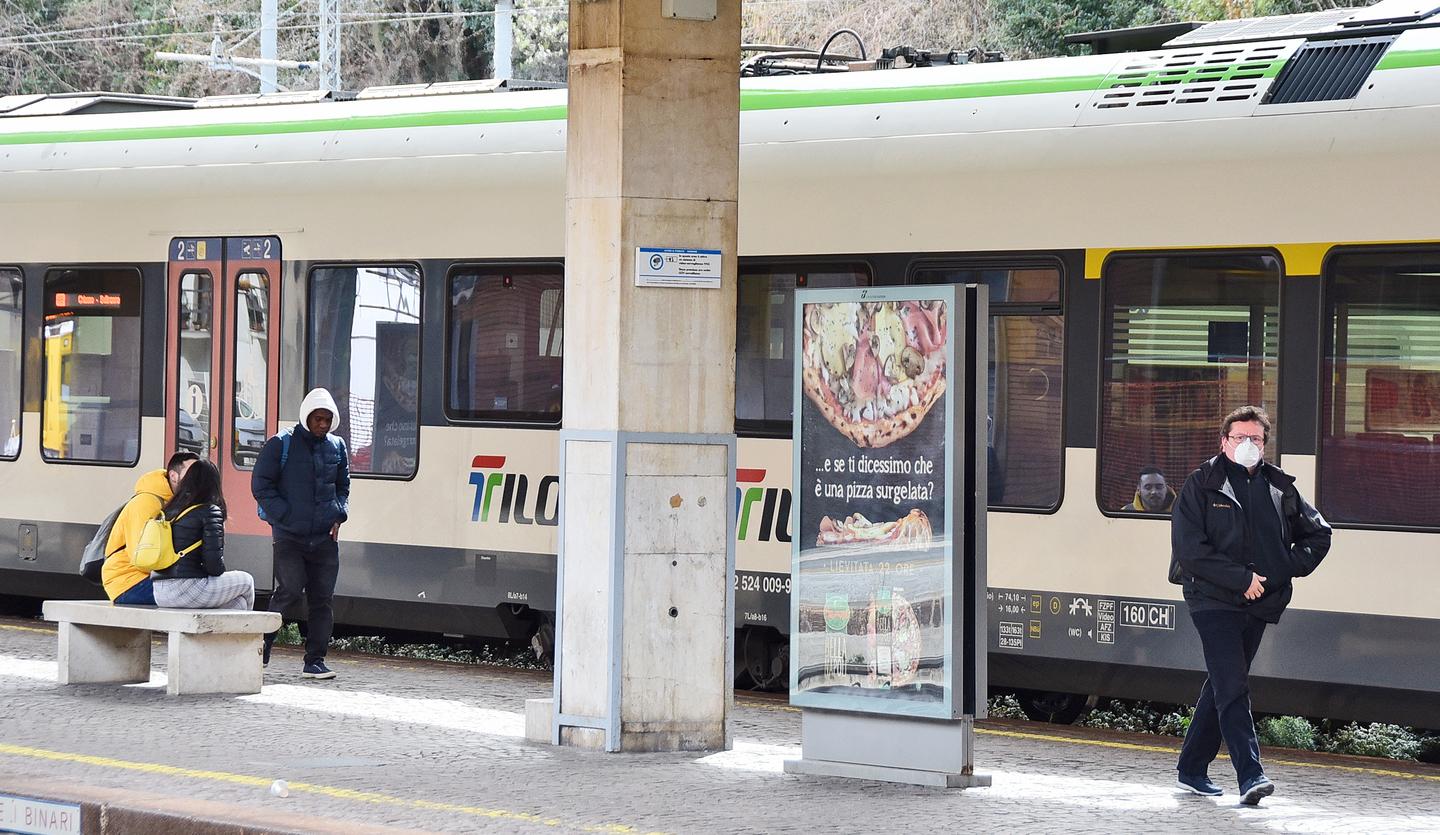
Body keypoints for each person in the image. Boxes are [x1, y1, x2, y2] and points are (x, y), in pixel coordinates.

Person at [1170, 405, 1331, 805]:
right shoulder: (1200, 484)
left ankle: (1191, 769)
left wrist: (1276, 573)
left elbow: (1319, 536)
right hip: (1211, 599)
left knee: (1224, 684)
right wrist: (1241, 579)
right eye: (1239, 437)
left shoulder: (1280, 487)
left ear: (1265, 444)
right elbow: (1190, 551)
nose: (1247, 444)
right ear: (1223, 441)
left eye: (1255, 439)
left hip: (1258, 602)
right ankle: (1251, 775)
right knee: (1233, 684)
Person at [252, 388, 350, 680]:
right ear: (306, 417)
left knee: (323, 599)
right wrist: (284, 516)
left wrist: (339, 514)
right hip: (289, 537)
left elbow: (343, 485)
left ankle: (315, 661)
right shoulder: (280, 444)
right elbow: (260, 485)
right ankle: (264, 642)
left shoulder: (338, 446)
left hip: (324, 538)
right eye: (318, 419)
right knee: (290, 590)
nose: (322, 424)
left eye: (327, 419)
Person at [151, 459, 256, 610]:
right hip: (187, 590)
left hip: (160, 592)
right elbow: (214, 567)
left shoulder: (169, 510)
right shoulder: (209, 511)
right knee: (246, 581)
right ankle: (249, 633)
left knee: (239, 603)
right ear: (213, 484)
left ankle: (225, 633)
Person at [101, 451, 199, 605]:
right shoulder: (146, 502)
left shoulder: (173, 502)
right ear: (173, 476)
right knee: (203, 593)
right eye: (192, 472)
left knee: (214, 593)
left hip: (146, 579)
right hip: (129, 583)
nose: (196, 477)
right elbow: (140, 558)